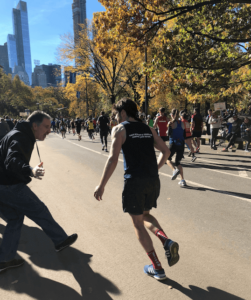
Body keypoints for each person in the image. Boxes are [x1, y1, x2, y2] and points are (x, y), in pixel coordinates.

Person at [94, 98, 179, 281]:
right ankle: (166, 241)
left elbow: (113, 159)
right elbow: (166, 152)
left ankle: (157, 268)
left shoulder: (120, 129)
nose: (116, 118)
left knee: (138, 223)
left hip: (135, 183)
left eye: (117, 114)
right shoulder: (148, 129)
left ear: (123, 112)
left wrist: (101, 185)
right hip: (152, 181)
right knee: (145, 215)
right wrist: (154, 169)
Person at [0, 111, 77, 272]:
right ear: (35, 126)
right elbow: (12, 160)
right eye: (46, 127)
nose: (49, 130)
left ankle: (5, 260)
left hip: (4, 184)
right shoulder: (20, 136)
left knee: (15, 218)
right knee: (38, 209)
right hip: (8, 185)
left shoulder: (19, 133)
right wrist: (30, 170)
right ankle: (60, 240)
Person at [166, 108, 187, 186]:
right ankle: (182, 180)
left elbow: (168, 133)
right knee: (178, 162)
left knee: (167, 159)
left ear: (171, 115)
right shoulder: (182, 123)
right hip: (181, 144)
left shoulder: (170, 123)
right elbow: (184, 134)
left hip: (173, 143)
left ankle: (174, 170)